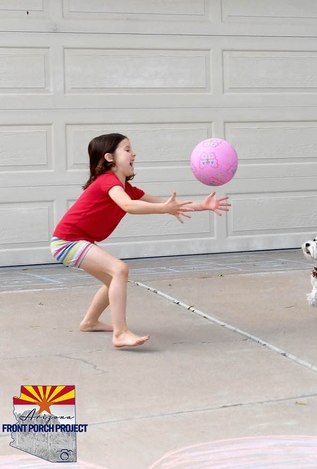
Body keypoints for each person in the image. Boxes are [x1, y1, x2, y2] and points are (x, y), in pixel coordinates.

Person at [51, 133, 231, 348]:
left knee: (113, 280)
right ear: (109, 158)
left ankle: (89, 322)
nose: (133, 153)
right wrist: (164, 209)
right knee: (119, 270)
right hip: (67, 241)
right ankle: (120, 333)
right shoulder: (107, 182)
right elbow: (128, 206)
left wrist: (201, 205)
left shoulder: (127, 188)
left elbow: (162, 202)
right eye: (127, 149)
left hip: (77, 240)